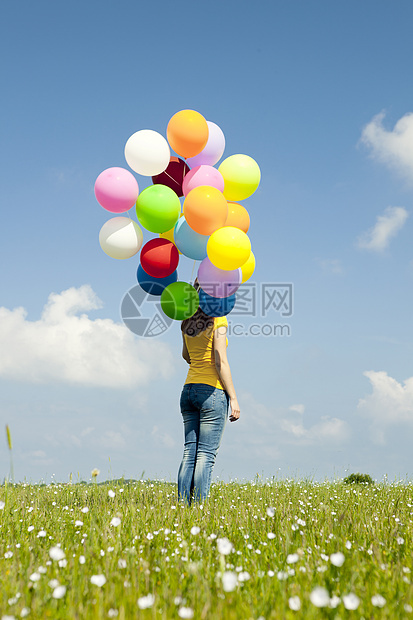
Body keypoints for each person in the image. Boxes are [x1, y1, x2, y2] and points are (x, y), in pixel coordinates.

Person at [177, 292, 240, 505]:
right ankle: (200, 508)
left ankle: (182, 505)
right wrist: (233, 398)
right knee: (205, 454)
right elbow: (220, 361)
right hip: (210, 391)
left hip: (188, 390)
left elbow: (186, 356)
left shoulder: (185, 320)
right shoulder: (218, 319)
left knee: (189, 452)